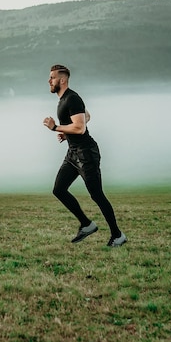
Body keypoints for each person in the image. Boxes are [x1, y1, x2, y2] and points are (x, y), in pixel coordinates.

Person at [42, 64, 127, 247]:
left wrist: (56, 127)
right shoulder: (64, 99)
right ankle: (87, 224)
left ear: (62, 80)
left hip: (86, 153)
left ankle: (117, 235)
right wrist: (67, 132)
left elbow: (80, 127)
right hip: (73, 154)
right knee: (59, 189)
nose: (49, 80)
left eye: (52, 77)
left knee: (97, 195)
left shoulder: (72, 98)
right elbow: (86, 117)